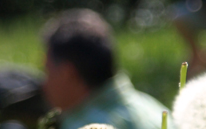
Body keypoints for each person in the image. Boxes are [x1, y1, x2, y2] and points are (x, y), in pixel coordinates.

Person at [40, 9, 171, 129]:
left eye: (47, 71)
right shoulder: (155, 111)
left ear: (67, 73)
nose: (44, 84)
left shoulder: (84, 125)